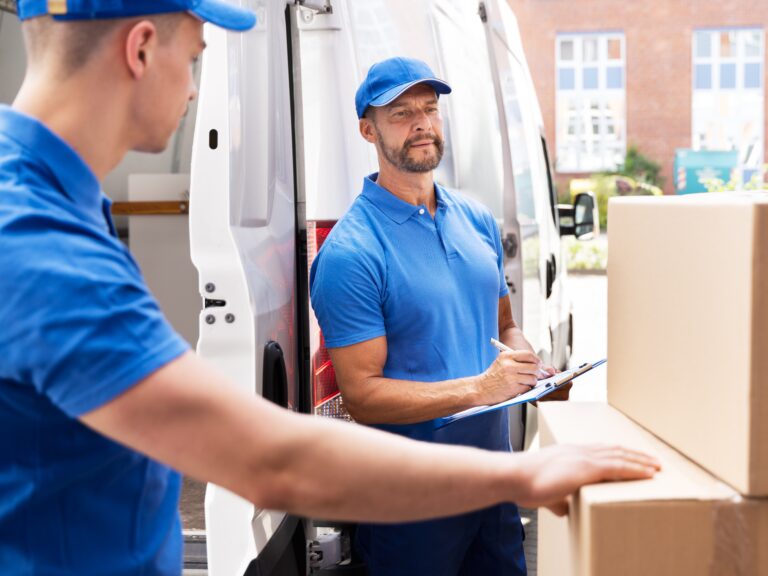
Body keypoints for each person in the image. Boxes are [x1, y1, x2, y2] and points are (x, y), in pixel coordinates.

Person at [0, 3, 659, 574]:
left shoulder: (56, 205)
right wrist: (524, 473)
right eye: (196, 58)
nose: (196, 91)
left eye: (430, 110)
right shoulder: (42, 247)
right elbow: (268, 459)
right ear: (141, 48)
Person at [309, 57, 571, 575]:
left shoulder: (475, 219)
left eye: (429, 109)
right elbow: (362, 396)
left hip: (492, 482)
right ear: (368, 130)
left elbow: (503, 326)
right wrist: (481, 388)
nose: (422, 123)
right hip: (410, 500)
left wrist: (530, 370)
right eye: (402, 113)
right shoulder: (351, 252)